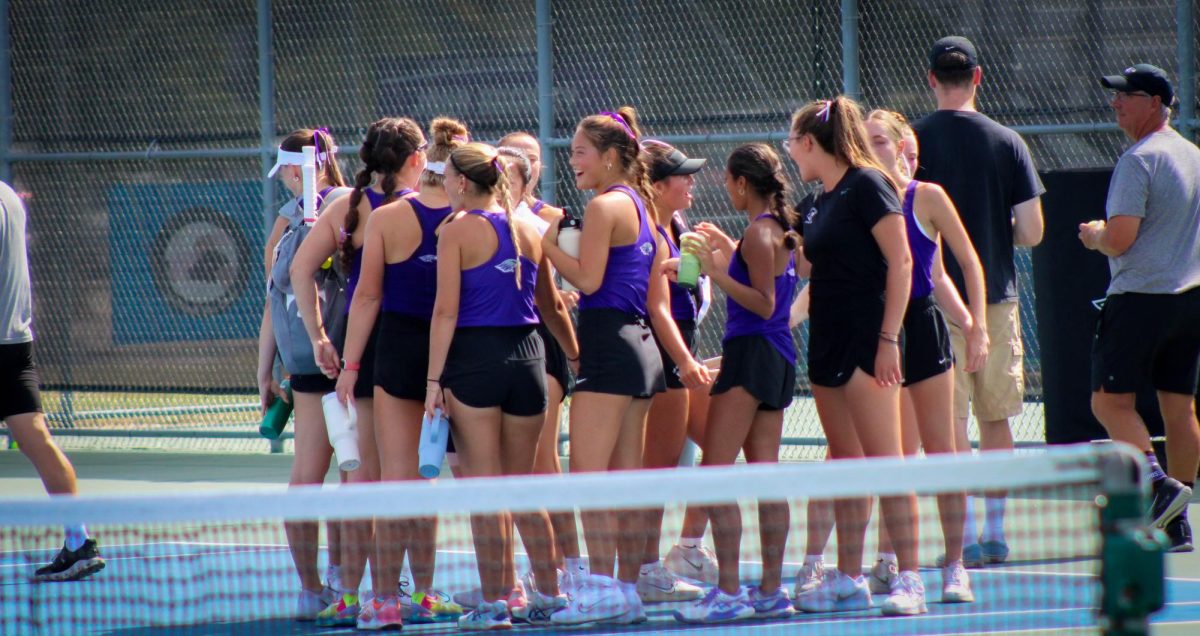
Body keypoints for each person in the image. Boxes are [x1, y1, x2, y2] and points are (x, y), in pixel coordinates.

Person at [426, 142, 578, 629]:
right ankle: (550, 596)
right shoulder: (529, 230)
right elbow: (551, 307)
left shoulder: (456, 232)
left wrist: (433, 380)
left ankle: (495, 604)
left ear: (464, 183)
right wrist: (575, 356)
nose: (444, 185)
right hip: (530, 362)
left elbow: (445, 311)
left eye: (447, 177)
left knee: (487, 492)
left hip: (477, 363)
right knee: (523, 486)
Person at [289, 116, 430, 629]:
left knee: (362, 477)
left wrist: (320, 336)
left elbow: (299, 271)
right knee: (402, 476)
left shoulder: (344, 203)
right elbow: (306, 272)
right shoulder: (419, 208)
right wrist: (323, 342)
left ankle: (356, 593)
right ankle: (396, 592)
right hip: (393, 346)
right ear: (415, 158)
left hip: (357, 342)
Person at [786, 96, 924, 616]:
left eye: (792, 145)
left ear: (809, 143)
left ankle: (909, 578)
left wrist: (888, 340)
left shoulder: (868, 185)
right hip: (826, 347)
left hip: (871, 344)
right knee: (847, 467)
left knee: (887, 465)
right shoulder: (817, 200)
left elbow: (902, 261)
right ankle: (848, 578)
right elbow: (804, 268)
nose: (791, 154)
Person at [913, 36, 1045, 566]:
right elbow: (1033, 231)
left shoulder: (912, 143)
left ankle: (961, 539)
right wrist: (994, 230)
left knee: (950, 428)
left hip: (932, 302)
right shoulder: (1008, 141)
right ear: (979, 77)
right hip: (994, 299)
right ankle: (993, 532)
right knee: (996, 419)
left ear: (930, 80)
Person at [541, 107, 675, 626]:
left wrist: (544, 241)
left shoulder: (604, 205)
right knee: (622, 477)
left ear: (611, 156)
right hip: (638, 347)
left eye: (580, 151)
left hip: (610, 343)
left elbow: (590, 280)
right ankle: (621, 589)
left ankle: (600, 587)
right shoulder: (641, 204)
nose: (572, 159)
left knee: (590, 477)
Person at [672, 143, 799, 623]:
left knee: (716, 476)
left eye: (728, 181)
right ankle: (769, 590)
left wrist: (715, 272)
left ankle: (728, 592)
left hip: (754, 356)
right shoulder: (776, 230)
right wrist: (728, 252)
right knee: (765, 474)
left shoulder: (759, 235)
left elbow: (764, 304)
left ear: (743, 184)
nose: (725, 189)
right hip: (773, 358)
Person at [1081, 63, 1199, 552]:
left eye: (1126, 95)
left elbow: (1121, 237)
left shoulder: (1138, 159)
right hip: (1191, 302)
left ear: (1155, 103)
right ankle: (1177, 525)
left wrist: (1094, 237)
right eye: (1116, 94)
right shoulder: (1194, 155)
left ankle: (1158, 486)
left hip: (1141, 300)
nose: (1116, 102)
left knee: (1109, 403)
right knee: (1179, 407)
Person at [257, 128, 350, 619]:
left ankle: (342, 579)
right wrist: (265, 371)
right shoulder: (289, 222)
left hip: (343, 362)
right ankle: (317, 586)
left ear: (298, 170)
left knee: (350, 474)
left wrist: (269, 368)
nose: (288, 185)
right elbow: (277, 298)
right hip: (313, 370)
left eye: (288, 175)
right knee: (324, 475)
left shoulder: (346, 209)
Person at [1, 181, 105, 583]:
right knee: (38, 441)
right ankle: (79, 543)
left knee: (38, 442)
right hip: (15, 344)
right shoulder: (9, 195)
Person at [635, 140, 711, 604]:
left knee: (712, 455)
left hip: (681, 359)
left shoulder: (673, 231)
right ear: (657, 186)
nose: (691, 182)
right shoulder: (649, 233)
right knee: (655, 472)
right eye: (682, 175)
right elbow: (656, 309)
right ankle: (644, 569)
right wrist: (684, 363)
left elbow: (689, 298)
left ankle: (680, 551)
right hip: (664, 364)